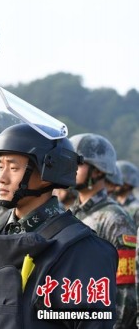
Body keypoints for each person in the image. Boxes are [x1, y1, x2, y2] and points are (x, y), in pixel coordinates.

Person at [0, 123, 118, 328]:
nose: (1, 178)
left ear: (48, 172)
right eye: (0, 166)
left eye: (13, 168)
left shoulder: (84, 251)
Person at [69, 133, 137, 328]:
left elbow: (125, 290)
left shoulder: (115, 218)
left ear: (98, 171)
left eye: (79, 163)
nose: (71, 169)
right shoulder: (69, 213)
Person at [112, 160, 139, 225]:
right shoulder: (111, 203)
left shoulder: (136, 208)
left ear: (128, 185)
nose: (114, 183)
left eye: (118, 180)